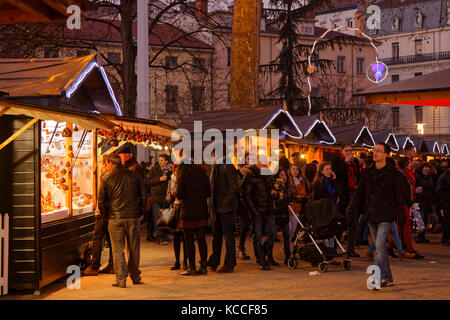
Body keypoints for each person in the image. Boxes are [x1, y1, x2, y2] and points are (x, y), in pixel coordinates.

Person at [347, 143, 406, 288]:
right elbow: (360, 191)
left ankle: (376, 278)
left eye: (379, 151)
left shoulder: (394, 174)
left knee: (379, 246)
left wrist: (401, 214)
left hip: (386, 214)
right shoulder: (368, 172)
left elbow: (399, 196)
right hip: (371, 213)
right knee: (380, 248)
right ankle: (388, 277)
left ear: (386, 154)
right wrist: (351, 207)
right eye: (375, 151)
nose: (375, 153)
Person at [98, 153, 145, 288]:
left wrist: (107, 214)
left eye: (106, 164)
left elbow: (101, 201)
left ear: (112, 164)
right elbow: (143, 194)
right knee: (134, 247)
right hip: (132, 217)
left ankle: (121, 279)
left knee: (117, 248)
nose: (105, 166)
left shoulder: (106, 178)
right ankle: (135, 276)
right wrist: (140, 211)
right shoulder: (134, 175)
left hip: (114, 217)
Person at [207, 151, 239, 273]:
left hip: (226, 207)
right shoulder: (217, 166)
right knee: (217, 235)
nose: (213, 156)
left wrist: (226, 201)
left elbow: (233, 186)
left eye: (214, 153)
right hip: (217, 207)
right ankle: (214, 260)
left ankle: (229, 263)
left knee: (228, 236)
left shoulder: (227, 165)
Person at [82, 156, 114, 276]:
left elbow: (102, 196)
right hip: (112, 212)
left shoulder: (104, 175)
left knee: (97, 238)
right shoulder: (112, 175)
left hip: (103, 212)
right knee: (111, 240)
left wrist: (99, 209)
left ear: (106, 164)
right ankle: (112, 265)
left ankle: (94, 266)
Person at [242, 156, 275, 271]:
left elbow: (271, 190)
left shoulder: (268, 175)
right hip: (257, 211)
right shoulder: (250, 175)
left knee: (273, 234)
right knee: (258, 236)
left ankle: (262, 252)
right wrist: (253, 211)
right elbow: (246, 195)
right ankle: (261, 260)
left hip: (268, 209)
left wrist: (274, 194)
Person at [176, 163, 211, 275]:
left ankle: (192, 267)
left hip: (188, 211)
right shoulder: (202, 175)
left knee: (189, 241)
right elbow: (208, 193)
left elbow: (179, 195)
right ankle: (203, 266)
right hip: (201, 210)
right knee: (201, 239)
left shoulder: (183, 176)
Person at [390, 157, 424, 259]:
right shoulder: (401, 174)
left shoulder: (404, 173)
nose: (411, 164)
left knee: (400, 227)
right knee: (405, 227)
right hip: (402, 204)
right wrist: (410, 202)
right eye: (409, 163)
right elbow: (403, 191)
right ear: (405, 164)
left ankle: (390, 246)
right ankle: (410, 249)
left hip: (404, 203)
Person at [332, 143, 361, 257]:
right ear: (342, 151)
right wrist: (345, 163)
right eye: (347, 151)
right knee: (340, 223)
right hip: (342, 196)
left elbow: (358, 176)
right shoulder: (337, 161)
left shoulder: (354, 162)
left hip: (353, 195)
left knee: (353, 223)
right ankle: (334, 248)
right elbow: (337, 174)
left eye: (351, 151)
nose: (349, 153)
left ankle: (350, 249)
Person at [272, 168, 296, 265]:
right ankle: (268, 255)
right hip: (275, 214)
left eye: (285, 175)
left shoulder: (288, 186)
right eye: (281, 175)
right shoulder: (275, 186)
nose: (284, 177)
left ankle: (287, 255)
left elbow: (291, 196)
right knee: (272, 235)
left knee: (287, 235)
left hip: (284, 213)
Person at [166, 165, 188, 271]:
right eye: (175, 170)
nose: (177, 173)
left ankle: (186, 262)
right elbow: (167, 197)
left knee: (185, 237)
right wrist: (171, 195)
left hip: (184, 209)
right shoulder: (171, 182)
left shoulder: (184, 181)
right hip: (174, 210)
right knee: (176, 238)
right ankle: (177, 261)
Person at [147, 154, 172, 245]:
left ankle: (164, 235)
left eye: (162, 160)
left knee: (165, 218)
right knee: (157, 218)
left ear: (166, 161)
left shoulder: (170, 171)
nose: (160, 162)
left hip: (166, 198)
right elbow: (148, 181)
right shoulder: (155, 170)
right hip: (156, 198)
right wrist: (159, 179)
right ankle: (159, 237)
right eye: (159, 160)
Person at [414, 162, 435, 243]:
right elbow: (414, 187)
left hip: (427, 201)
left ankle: (422, 237)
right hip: (419, 201)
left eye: (428, 167)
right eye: (425, 167)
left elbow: (432, 187)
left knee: (425, 220)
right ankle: (419, 237)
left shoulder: (430, 177)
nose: (427, 168)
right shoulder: (417, 176)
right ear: (422, 168)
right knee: (420, 220)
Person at [236, 154, 252, 260]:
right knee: (245, 224)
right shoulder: (240, 172)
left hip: (254, 202)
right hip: (243, 203)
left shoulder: (257, 172)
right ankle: (240, 248)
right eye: (248, 158)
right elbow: (238, 187)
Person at [288, 164, 308, 240]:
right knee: (288, 229)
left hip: (296, 208)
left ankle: (288, 246)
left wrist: (297, 184)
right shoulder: (287, 180)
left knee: (293, 229)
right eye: (293, 169)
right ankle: (287, 246)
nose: (295, 171)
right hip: (288, 207)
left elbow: (302, 194)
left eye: (296, 169)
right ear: (290, 170)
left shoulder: (301, 180)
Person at [436, 161, 450, 246]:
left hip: (447, 202)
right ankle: (445, 238)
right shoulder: (444, 176)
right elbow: (439, 190)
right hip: (447, 203)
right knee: (447, 221)